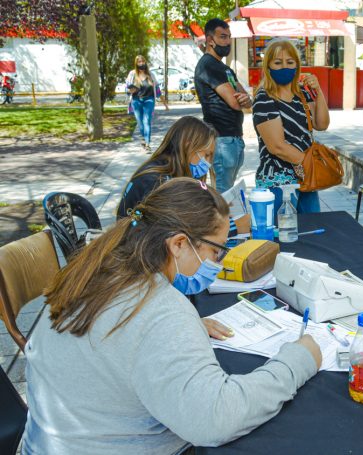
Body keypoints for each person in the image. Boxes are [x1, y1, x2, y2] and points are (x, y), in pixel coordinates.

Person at [21, 178, 322, 453]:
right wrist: (297, 361)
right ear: (179, 244)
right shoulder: (158, 309)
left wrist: (183, 328)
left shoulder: (92, 271)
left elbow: (124, 339)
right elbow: (214, 419)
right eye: (217, 251)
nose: (219, 263)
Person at [117, 116, 251, 284]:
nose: (208, 163)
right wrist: (232, 225)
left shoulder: (164, 172)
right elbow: (180, 232)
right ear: (188, 146)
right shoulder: (157, 181)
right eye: (206, 155)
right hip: (141, 267)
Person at [252, 39, 330, 215]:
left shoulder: (301, 94)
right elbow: (277, 146)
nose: (284, 67)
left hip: (305, 180)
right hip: (278, 182)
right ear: (268, 66)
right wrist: (310, 165)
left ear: (297, 65)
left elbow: (321, 124)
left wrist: (318, 92)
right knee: (284, 237)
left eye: (289, 62)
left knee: (311, 233)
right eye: (278, 63)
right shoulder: (264, 98)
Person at [195, 18, 252, 194]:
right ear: (210, 40)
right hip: (221, 141)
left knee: (226, 194)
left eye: (229, 37)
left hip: (232, 139)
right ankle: (222, 223)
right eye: (223, 37)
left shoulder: (223, 68)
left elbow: (247, 99)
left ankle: (226, 222)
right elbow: (236, 102)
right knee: (223, 195)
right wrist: (243, 99)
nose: (227, 42)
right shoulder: (208, 65)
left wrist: (246, 99)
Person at [126, 55, 169, 151]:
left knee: (147, 121)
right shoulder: (132, 74)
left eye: (143, 61)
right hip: (136, 101)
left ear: (145, 62)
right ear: (136, 64)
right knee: (140, 123)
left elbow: (157, 91)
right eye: (139, 62)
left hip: (149, 100)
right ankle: (143, 138)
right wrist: (130, 91)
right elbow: (127, 88)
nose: (141, 63)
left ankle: (147, 143)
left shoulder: (151, 75)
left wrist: (165, 105)